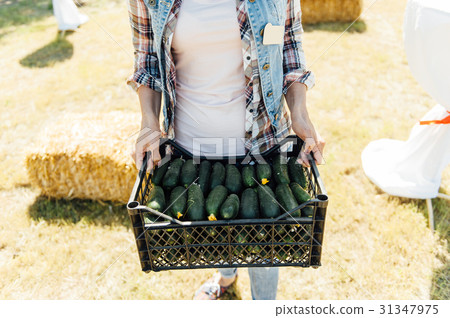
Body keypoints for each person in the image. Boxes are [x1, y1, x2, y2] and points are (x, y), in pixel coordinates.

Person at [127, 0, 325, 300]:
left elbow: (289, 43)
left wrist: (299, 112)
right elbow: (147, 61)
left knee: (266, 241)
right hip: (192, 152)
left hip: (263, 141)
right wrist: (149, 123)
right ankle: (226, 277)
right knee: (217, 224)